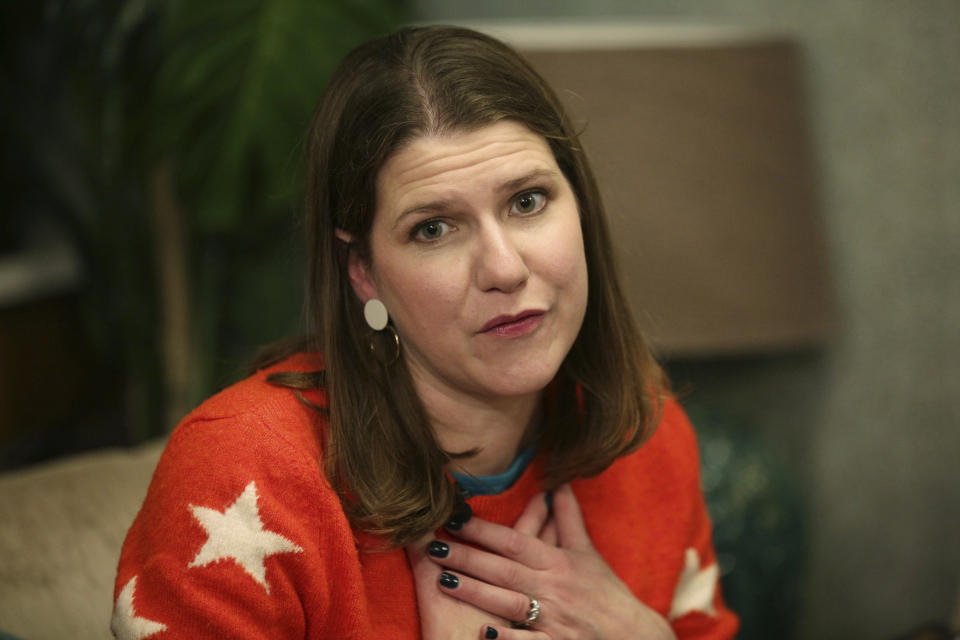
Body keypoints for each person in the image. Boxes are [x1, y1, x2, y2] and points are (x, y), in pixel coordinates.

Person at [111, 25, 738, 640]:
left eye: (527, 201)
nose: (504, 268)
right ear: (363, 272)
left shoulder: (647, 432)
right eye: (434, 229)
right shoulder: (246, 472)